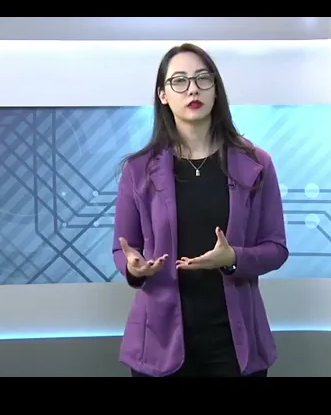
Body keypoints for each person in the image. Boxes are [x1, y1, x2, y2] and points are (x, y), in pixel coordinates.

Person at [112, 43, 289, 378]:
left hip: (234, 344)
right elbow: (122, 249)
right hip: (159, 343)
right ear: (163, 95)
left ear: (215, 89)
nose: (192, 89)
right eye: (179, 81)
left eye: (202, 78)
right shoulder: (138, 170)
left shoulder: (256, 163)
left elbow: (276, 248)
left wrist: (232, 258)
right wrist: (135, 267)